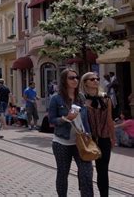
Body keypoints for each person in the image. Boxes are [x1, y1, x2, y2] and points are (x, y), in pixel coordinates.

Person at [48, 68, 93, 197]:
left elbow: (86, 119)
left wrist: (88, 135)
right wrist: (66, 118)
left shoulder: (81, 97)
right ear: (64, 80)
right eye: (71, 78)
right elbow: (52, 120)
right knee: (63, 173)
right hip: (62, 142)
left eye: (76, 77)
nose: (75, 80)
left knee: (86, 173)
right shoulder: (56, 99)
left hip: (80, 142)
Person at [79, 72, 115, 197]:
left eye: (97, 79)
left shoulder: (105, 98)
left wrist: (112, 136)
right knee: (85, 170)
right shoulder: (81, 99)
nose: (96, 81)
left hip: (104, 137)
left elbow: (109, 119)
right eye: (92, 79)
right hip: (88, 138)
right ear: (85, 82)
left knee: (103, 170)